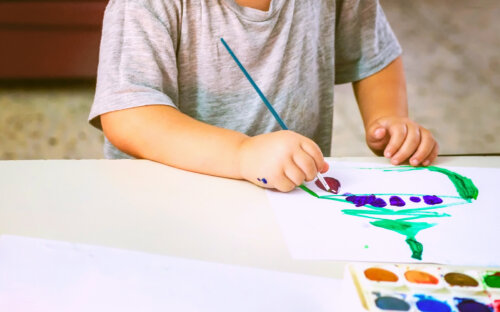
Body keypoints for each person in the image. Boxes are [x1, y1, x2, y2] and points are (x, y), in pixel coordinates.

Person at [89, 0, 438, 192]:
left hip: (291, 198)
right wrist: (242, 154)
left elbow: (373, 54)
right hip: (173, 203)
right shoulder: (143, 5)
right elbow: (128, 116)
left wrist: (388, 118)